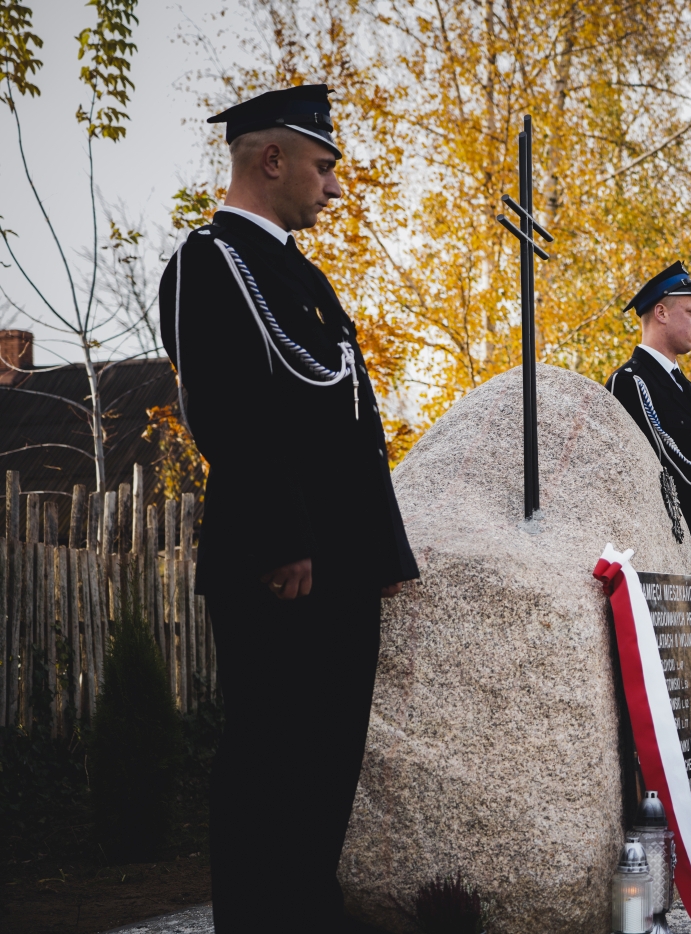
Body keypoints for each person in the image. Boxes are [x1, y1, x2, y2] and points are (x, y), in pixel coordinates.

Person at [158, 84, 419, 932]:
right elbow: (227, 411)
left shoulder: (298, 274)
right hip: (282, 570)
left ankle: (306, 913)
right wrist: (281, 541)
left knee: (326, 767)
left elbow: (353, 426)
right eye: (322, 166)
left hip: (340, 569)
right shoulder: (209, 263)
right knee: (270, 766)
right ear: (271, 159)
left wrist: (383, 556)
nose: (333, 187)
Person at [605, 262, 691, 580]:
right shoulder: (630, 383)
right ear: (661, 313)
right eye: (690, 311)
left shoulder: (686, 390)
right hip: (666, 562)